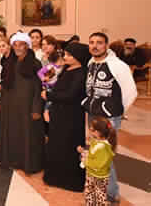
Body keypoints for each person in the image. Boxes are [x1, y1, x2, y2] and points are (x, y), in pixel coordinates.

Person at [83, 32, 137, 204]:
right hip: (93, 115)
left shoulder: (117, 65)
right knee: (95, 154)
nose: (95, 46)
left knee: (105, 156)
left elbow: (130, 92)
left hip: (109, 118)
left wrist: (118, 111)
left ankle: (112, 194)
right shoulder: (91, 62)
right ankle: (98, 190)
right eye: (91, 42)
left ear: (106, 45)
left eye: (99, 42)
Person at [42, 42, 90, 192]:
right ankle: (55, 177)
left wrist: (49, 95)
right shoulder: (66, 69)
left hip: (71, 115)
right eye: (66, 54)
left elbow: (71, 95)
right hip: (58, 113)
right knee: (57, 145)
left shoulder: (81, 73)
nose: (65, 57)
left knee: (69, 145)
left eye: (69, 55)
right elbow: (56, 87)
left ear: (78, 57)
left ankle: (70, 180)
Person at [0, 32, 44, 174]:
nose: (18, 48)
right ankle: (12, 160)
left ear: (27, 46)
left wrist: (37, 108)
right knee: (11, 133)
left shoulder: (35, 63)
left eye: (21, 45)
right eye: (15, 45)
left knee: (27, 134)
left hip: (27, 106)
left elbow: (39, 88)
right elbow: (5, 84)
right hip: (10, 106)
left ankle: (27, 163)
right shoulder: (9, 62)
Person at [77, 117, 117, 206]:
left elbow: (98, 164)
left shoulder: (104, 148)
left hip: (100, 177)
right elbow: (93, 155)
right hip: (91, 174)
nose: (90, 132)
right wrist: (84, 152)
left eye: (92, 130)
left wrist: (85, 161)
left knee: (100, 197)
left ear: (99, 132)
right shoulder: (95, 142)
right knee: (89, 193)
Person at [37, 51, 64, 123]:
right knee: (49, 99)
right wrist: (43, 78)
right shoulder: (50, 66)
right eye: (61, 60)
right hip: (48, 85)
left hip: (56, 85)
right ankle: (46, 111)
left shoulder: (62, 68)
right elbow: (40, 72)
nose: (62, 62)